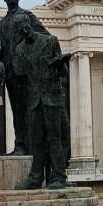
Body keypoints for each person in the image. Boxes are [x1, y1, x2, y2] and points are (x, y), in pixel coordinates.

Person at [13, 16, 67, 189]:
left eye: (24, 27)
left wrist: (58, 65)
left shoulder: (50, 41)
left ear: (29, 24)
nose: (23, 31)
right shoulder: (19, 49)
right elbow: (20, 73)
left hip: (52, 98)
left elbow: (63, 73)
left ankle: (58, 176)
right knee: (36, 139)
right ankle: (36, 177)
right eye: (19, 30)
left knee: (54, 138)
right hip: (34, 99)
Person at [0, 0, 49, 155]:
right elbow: (5, 48)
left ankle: (31, 145)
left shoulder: (26, 16)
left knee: (29, 110)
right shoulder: (4, 22)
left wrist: (31, 55)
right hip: (10, 72)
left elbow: (45, 37)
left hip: (26, 73)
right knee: (16, 110)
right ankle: (20, 144)